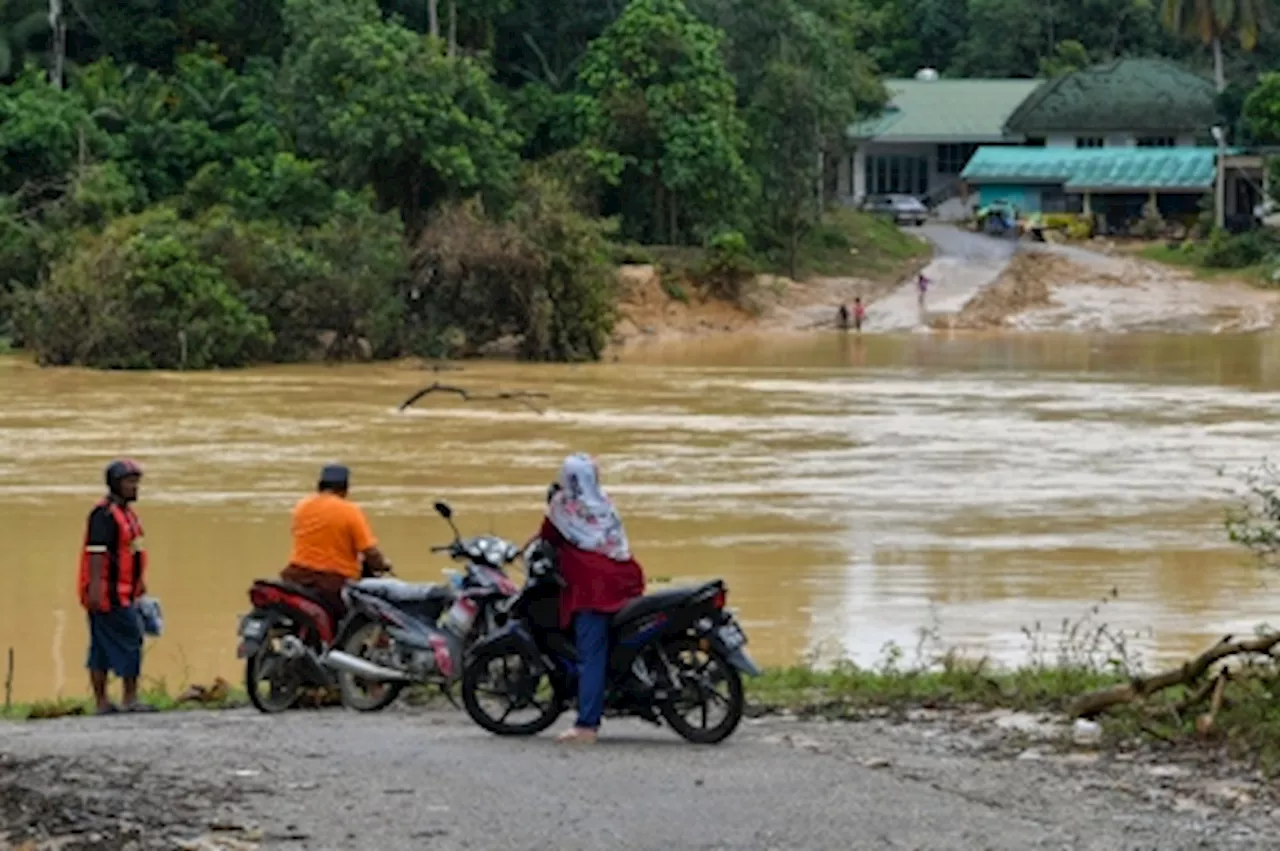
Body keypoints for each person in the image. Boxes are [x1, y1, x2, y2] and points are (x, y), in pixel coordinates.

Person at [536, 454, 645, 745]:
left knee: (591, 655)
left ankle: (586, 726)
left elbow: (544, 539)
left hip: (593, 590)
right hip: (626, 579)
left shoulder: (563, 508)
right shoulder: (605, 503)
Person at [79, 458, 156, 715]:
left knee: (101, 646)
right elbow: (96, 555)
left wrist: (140, 584)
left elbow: (132, 551)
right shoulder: (103, 515)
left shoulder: (126, 514)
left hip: (125, 591)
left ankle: (103, 702)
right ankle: (128, 698)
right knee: (130, 641)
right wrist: (95, 593)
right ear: (115, 484)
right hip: (109, 594)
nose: (135, 487)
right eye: (129, 482)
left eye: (136, 482)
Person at [282, 464, 392, 619]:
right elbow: (369, 551)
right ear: (345, 488)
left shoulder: (302, 506)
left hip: (296, 575)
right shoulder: (350, 511)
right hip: (332, 582)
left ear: (320, 486)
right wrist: (382, 564)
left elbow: (297, 533)